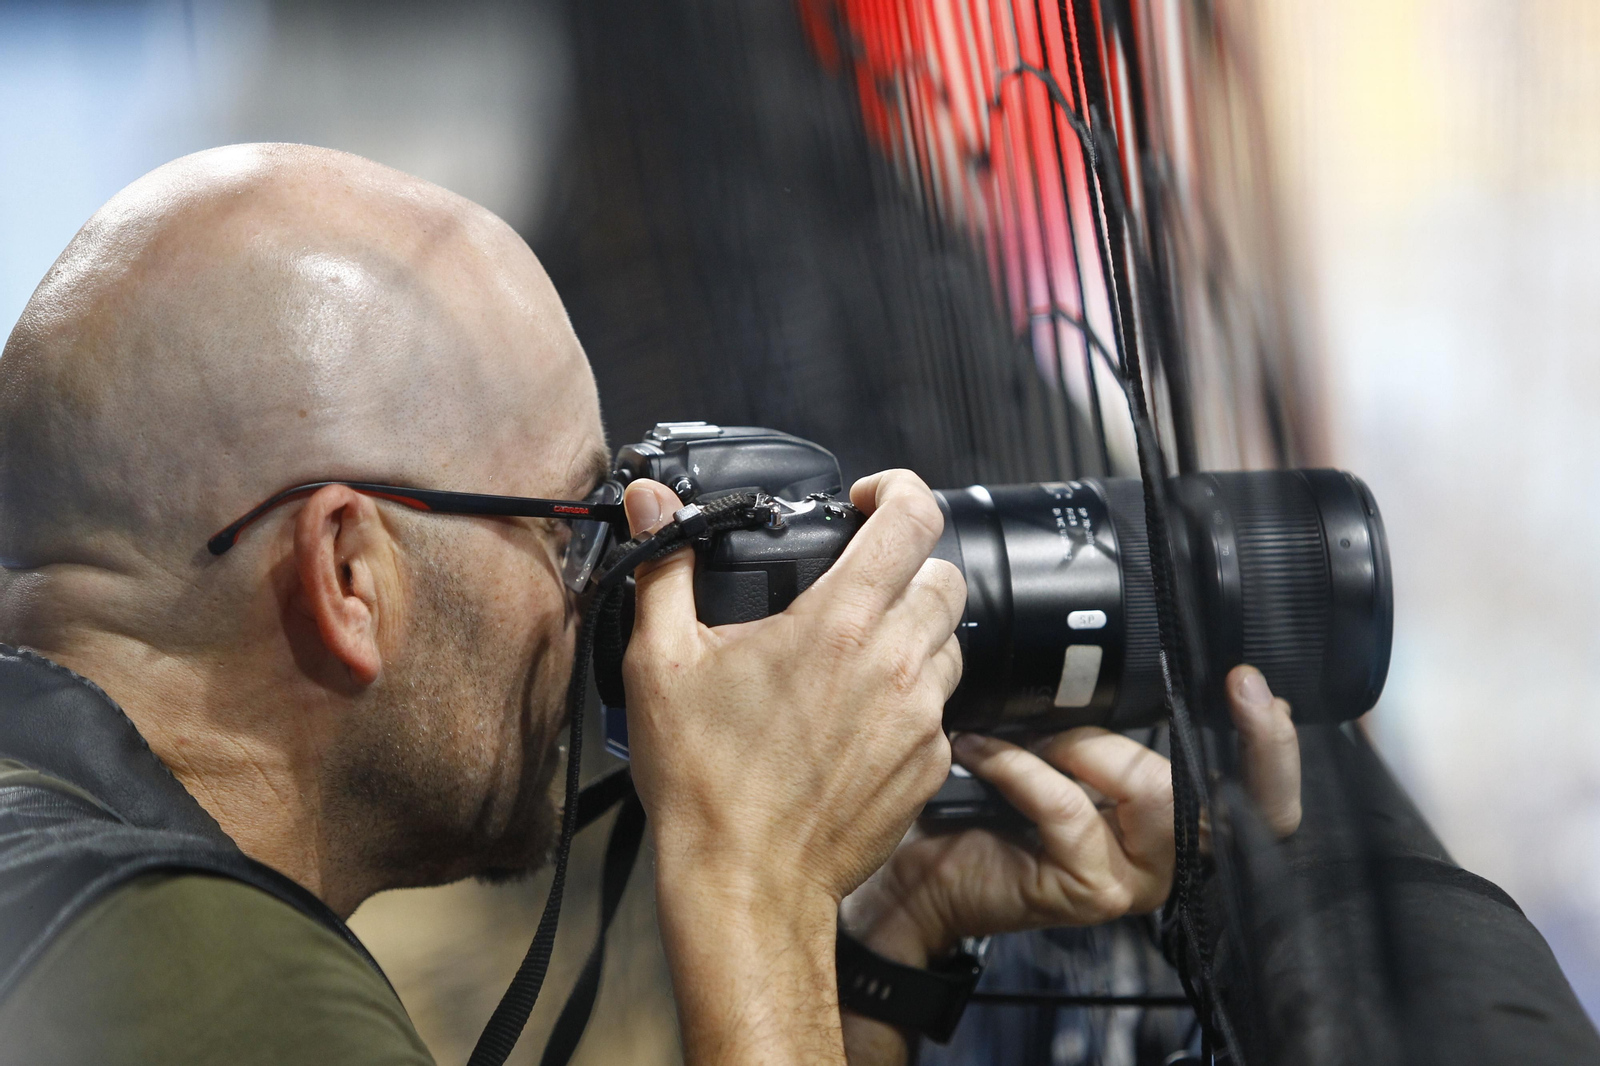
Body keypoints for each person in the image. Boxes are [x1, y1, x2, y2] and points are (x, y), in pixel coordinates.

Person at [0, 144, 1300, 1066]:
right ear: (350, 574)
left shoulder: (68, 881)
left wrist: (867, 947)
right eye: (574, 527)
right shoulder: (212, 997)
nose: (617, 599)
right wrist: (757, 873)